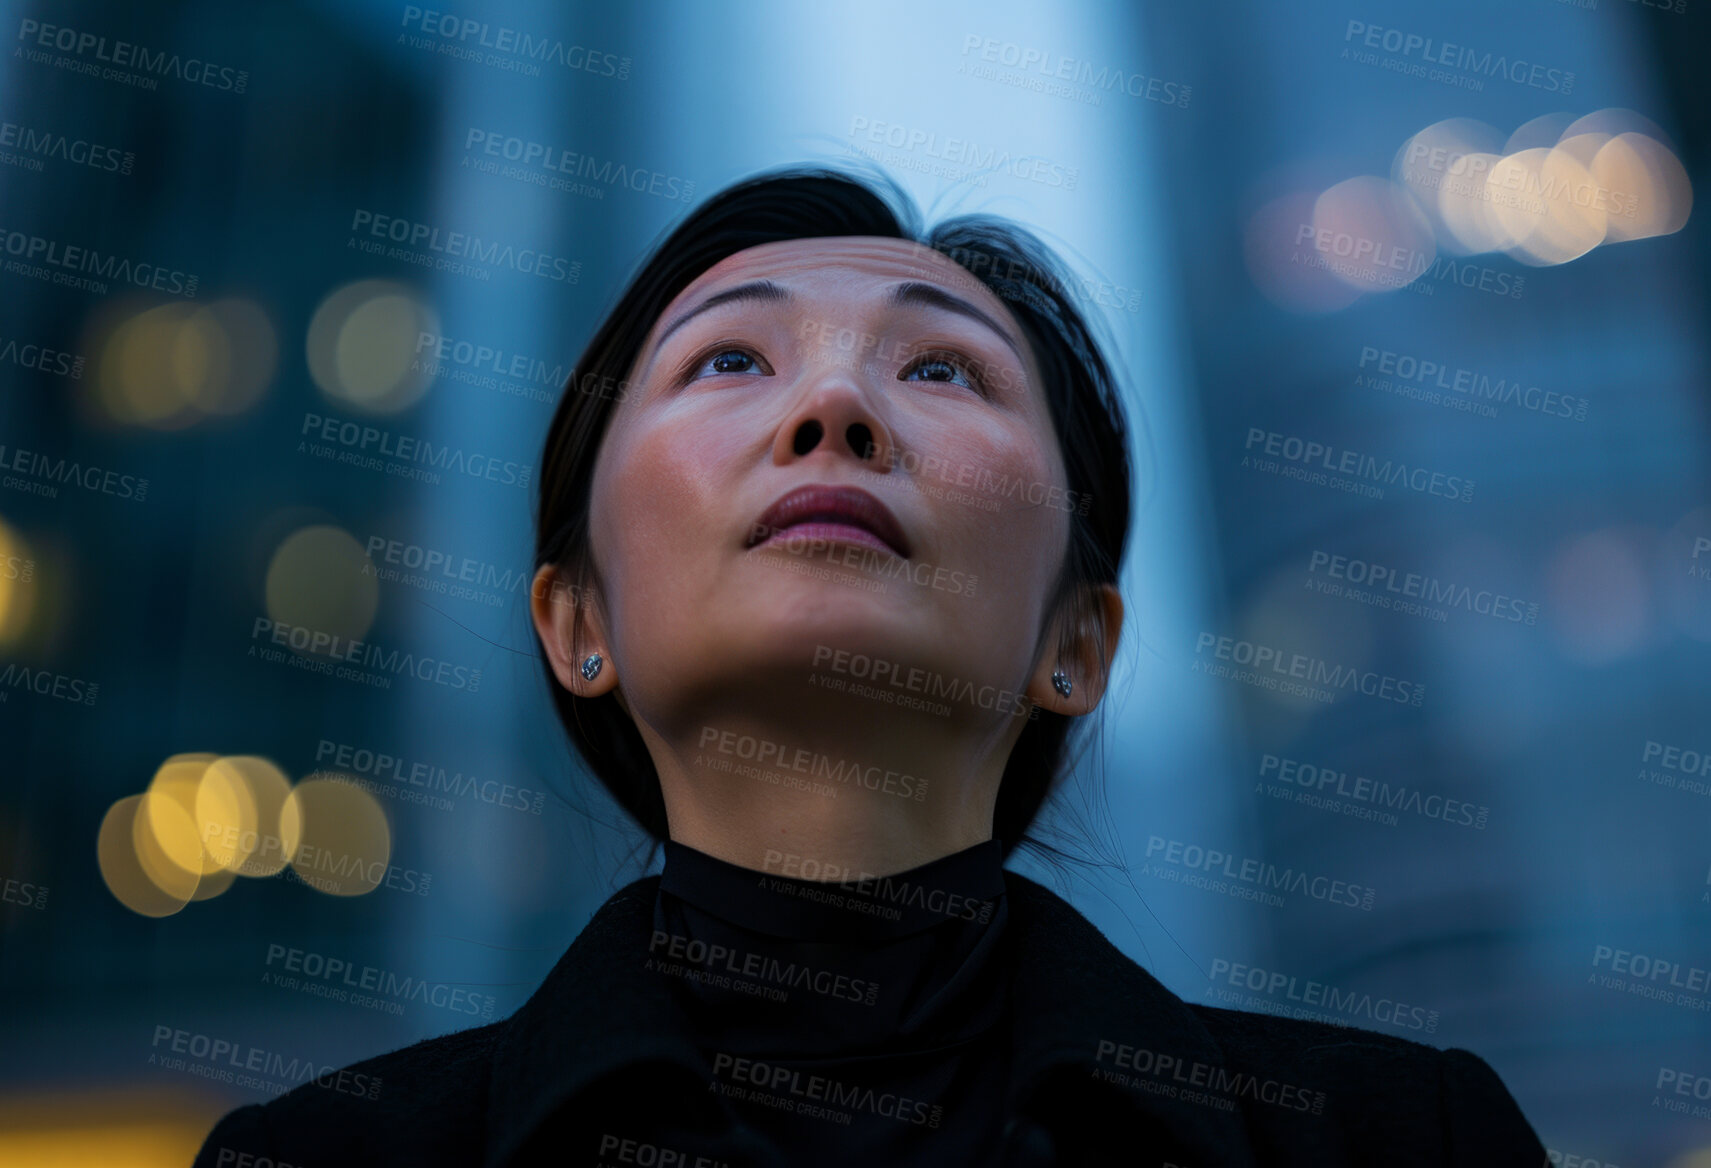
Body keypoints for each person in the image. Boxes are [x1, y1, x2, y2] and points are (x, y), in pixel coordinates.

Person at [193, 167, 1548, 1167]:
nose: (832, 408)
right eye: (730, 357)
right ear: (576, 622)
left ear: (1075, 646)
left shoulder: (1401, 1145)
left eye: (945, 371)